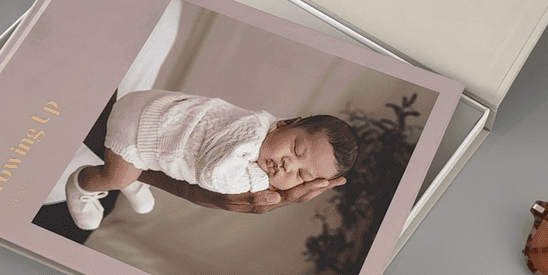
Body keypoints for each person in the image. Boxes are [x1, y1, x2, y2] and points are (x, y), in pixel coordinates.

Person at [64, 88, 359, 231]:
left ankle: (134, 180)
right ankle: (80, 184)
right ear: (286, 123)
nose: (288, 166)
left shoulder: (262, 143)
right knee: (118, 175)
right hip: (140, 127)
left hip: (154, 129)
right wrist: (261, 184)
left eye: (301, 176)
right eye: (296, 150)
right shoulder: (252, 133)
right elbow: (212, 177)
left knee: (137, 175)